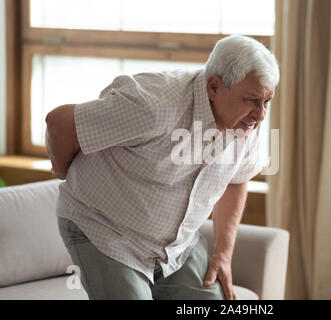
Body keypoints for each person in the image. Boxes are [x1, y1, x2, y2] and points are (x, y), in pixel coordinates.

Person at [45, 34, 279, 300]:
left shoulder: (247, 124)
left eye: (266, 102)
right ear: (214, 87)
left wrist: (224, 254)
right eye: (251, 100)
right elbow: (58, 123)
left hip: (177, 248)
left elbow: (236, 179)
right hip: (105, 233)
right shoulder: (153, 105)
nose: (260, 115)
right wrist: (65, 173)